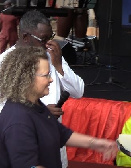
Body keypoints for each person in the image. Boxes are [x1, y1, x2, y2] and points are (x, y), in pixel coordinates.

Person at [0, 46, 118, 168]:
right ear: (27, 78)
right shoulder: (18, 121)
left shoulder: (35, 104)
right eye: (46, 75)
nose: (51, 80)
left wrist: (96, 144)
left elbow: (60, 132)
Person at [0, 10, 85, 168]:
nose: (48, 43)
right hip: (21, 144)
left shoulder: (52, 55)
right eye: (43, 39)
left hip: (53, 142)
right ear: (25, 37)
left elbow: (78, 92)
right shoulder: (5, 62)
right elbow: (3, 111)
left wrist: (59, 65)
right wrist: (40, 111)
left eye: (50, 37)